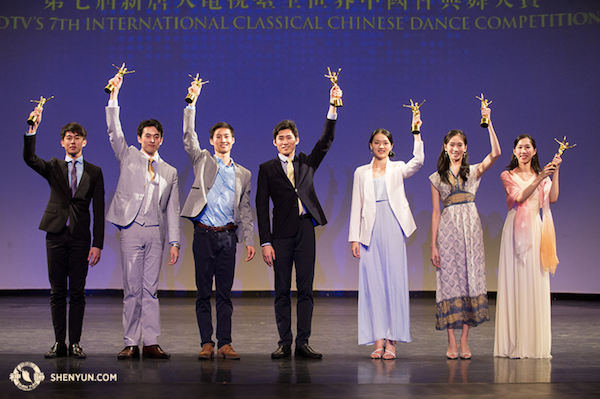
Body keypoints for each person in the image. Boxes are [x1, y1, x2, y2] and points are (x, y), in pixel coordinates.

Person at [256, 84, 343, 359]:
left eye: (289, 137)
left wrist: (332, 107)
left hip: (305, 230)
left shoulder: (306, 162)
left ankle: (303, 342)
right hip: (280, 236)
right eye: (280, 138)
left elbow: (325, 142)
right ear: (274, 142)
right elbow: (261, 206)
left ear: (296, 140)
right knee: (282, 289)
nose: (285, 141)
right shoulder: (266, 169)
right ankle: (284, 342)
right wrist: (265, 242)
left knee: (305, 289)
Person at [105, 73, 181, 360]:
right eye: (147, 135)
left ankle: (150, 342)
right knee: (132, 289)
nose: (152, 139)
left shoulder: (170, 171)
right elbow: (114, 131)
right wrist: (114, 96)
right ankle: (130, 342)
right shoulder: (128, 156)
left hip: (155, 233)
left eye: (156, 136)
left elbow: (172, 209)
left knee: (151, 290)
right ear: (139, 138)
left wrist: (174, 242)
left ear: (161, 140)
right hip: (131, 229)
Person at [180, 82, 255, 360]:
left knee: (224, 294)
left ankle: (225, 342)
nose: (223, 140)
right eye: (218, 137)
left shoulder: (243, 174)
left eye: (227, 137)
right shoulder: (202, 161)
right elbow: (189, 136)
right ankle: (206, 343)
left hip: (228, 237)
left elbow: (245, 208)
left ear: (233, 140)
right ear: (212, 141)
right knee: (202, 292)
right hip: (204, 234)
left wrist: (249, 239)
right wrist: (192, 103)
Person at [24, 107, 104, 359]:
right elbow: (30, 159)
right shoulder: (54, 166)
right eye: (68, 138)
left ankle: (76, 343)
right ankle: (59, 343)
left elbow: (99, 210)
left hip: (81, 238)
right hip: (56, 235)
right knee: (57, 291)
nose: (73, 141)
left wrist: (97, 243)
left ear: (84, 141)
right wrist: (32, 129)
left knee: (78, 292)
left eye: (77, 137)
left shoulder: (94, 171)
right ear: (62, 143)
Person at [348, 112, 424, 360]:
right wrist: (355, 237)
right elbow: (356, 205)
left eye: (385, 143)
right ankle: (378, 338)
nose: (381, 146)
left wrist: (416, 132)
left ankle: (392, 340)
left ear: (391, 147)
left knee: (393, 282)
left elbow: (419, 161)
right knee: (373, 285)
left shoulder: (397, 168)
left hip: (392, 225)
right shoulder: (361, 172)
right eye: (377, 142)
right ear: (371, 145)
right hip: (369, 230)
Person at [429, 106, 500, 360]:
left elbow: (496, 153)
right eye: (452, 144)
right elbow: (436, 213)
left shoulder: (474, 171)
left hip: (470, 229)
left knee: (470, 278)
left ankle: (464, 340)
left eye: (460, 144)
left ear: (466, 148)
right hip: (447, 231)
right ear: (445, 147)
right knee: (448, 283)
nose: (456, 148)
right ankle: (450, 341)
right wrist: (433, 246)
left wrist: (488, 122)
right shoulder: (436, 178)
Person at [494, 134, 561, 359]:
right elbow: (520, 197)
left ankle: (533, 344)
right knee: (515, 282)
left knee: (534, 281)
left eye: (528, 147)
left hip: (535, 228)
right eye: (520, 147)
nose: (523, 151)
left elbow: (552, 199)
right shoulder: (507, 175)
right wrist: (541, 176)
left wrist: (554, 172)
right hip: (514, 230)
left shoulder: (541, 176)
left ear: (534, 151)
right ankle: (515, 343)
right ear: (514, 151)